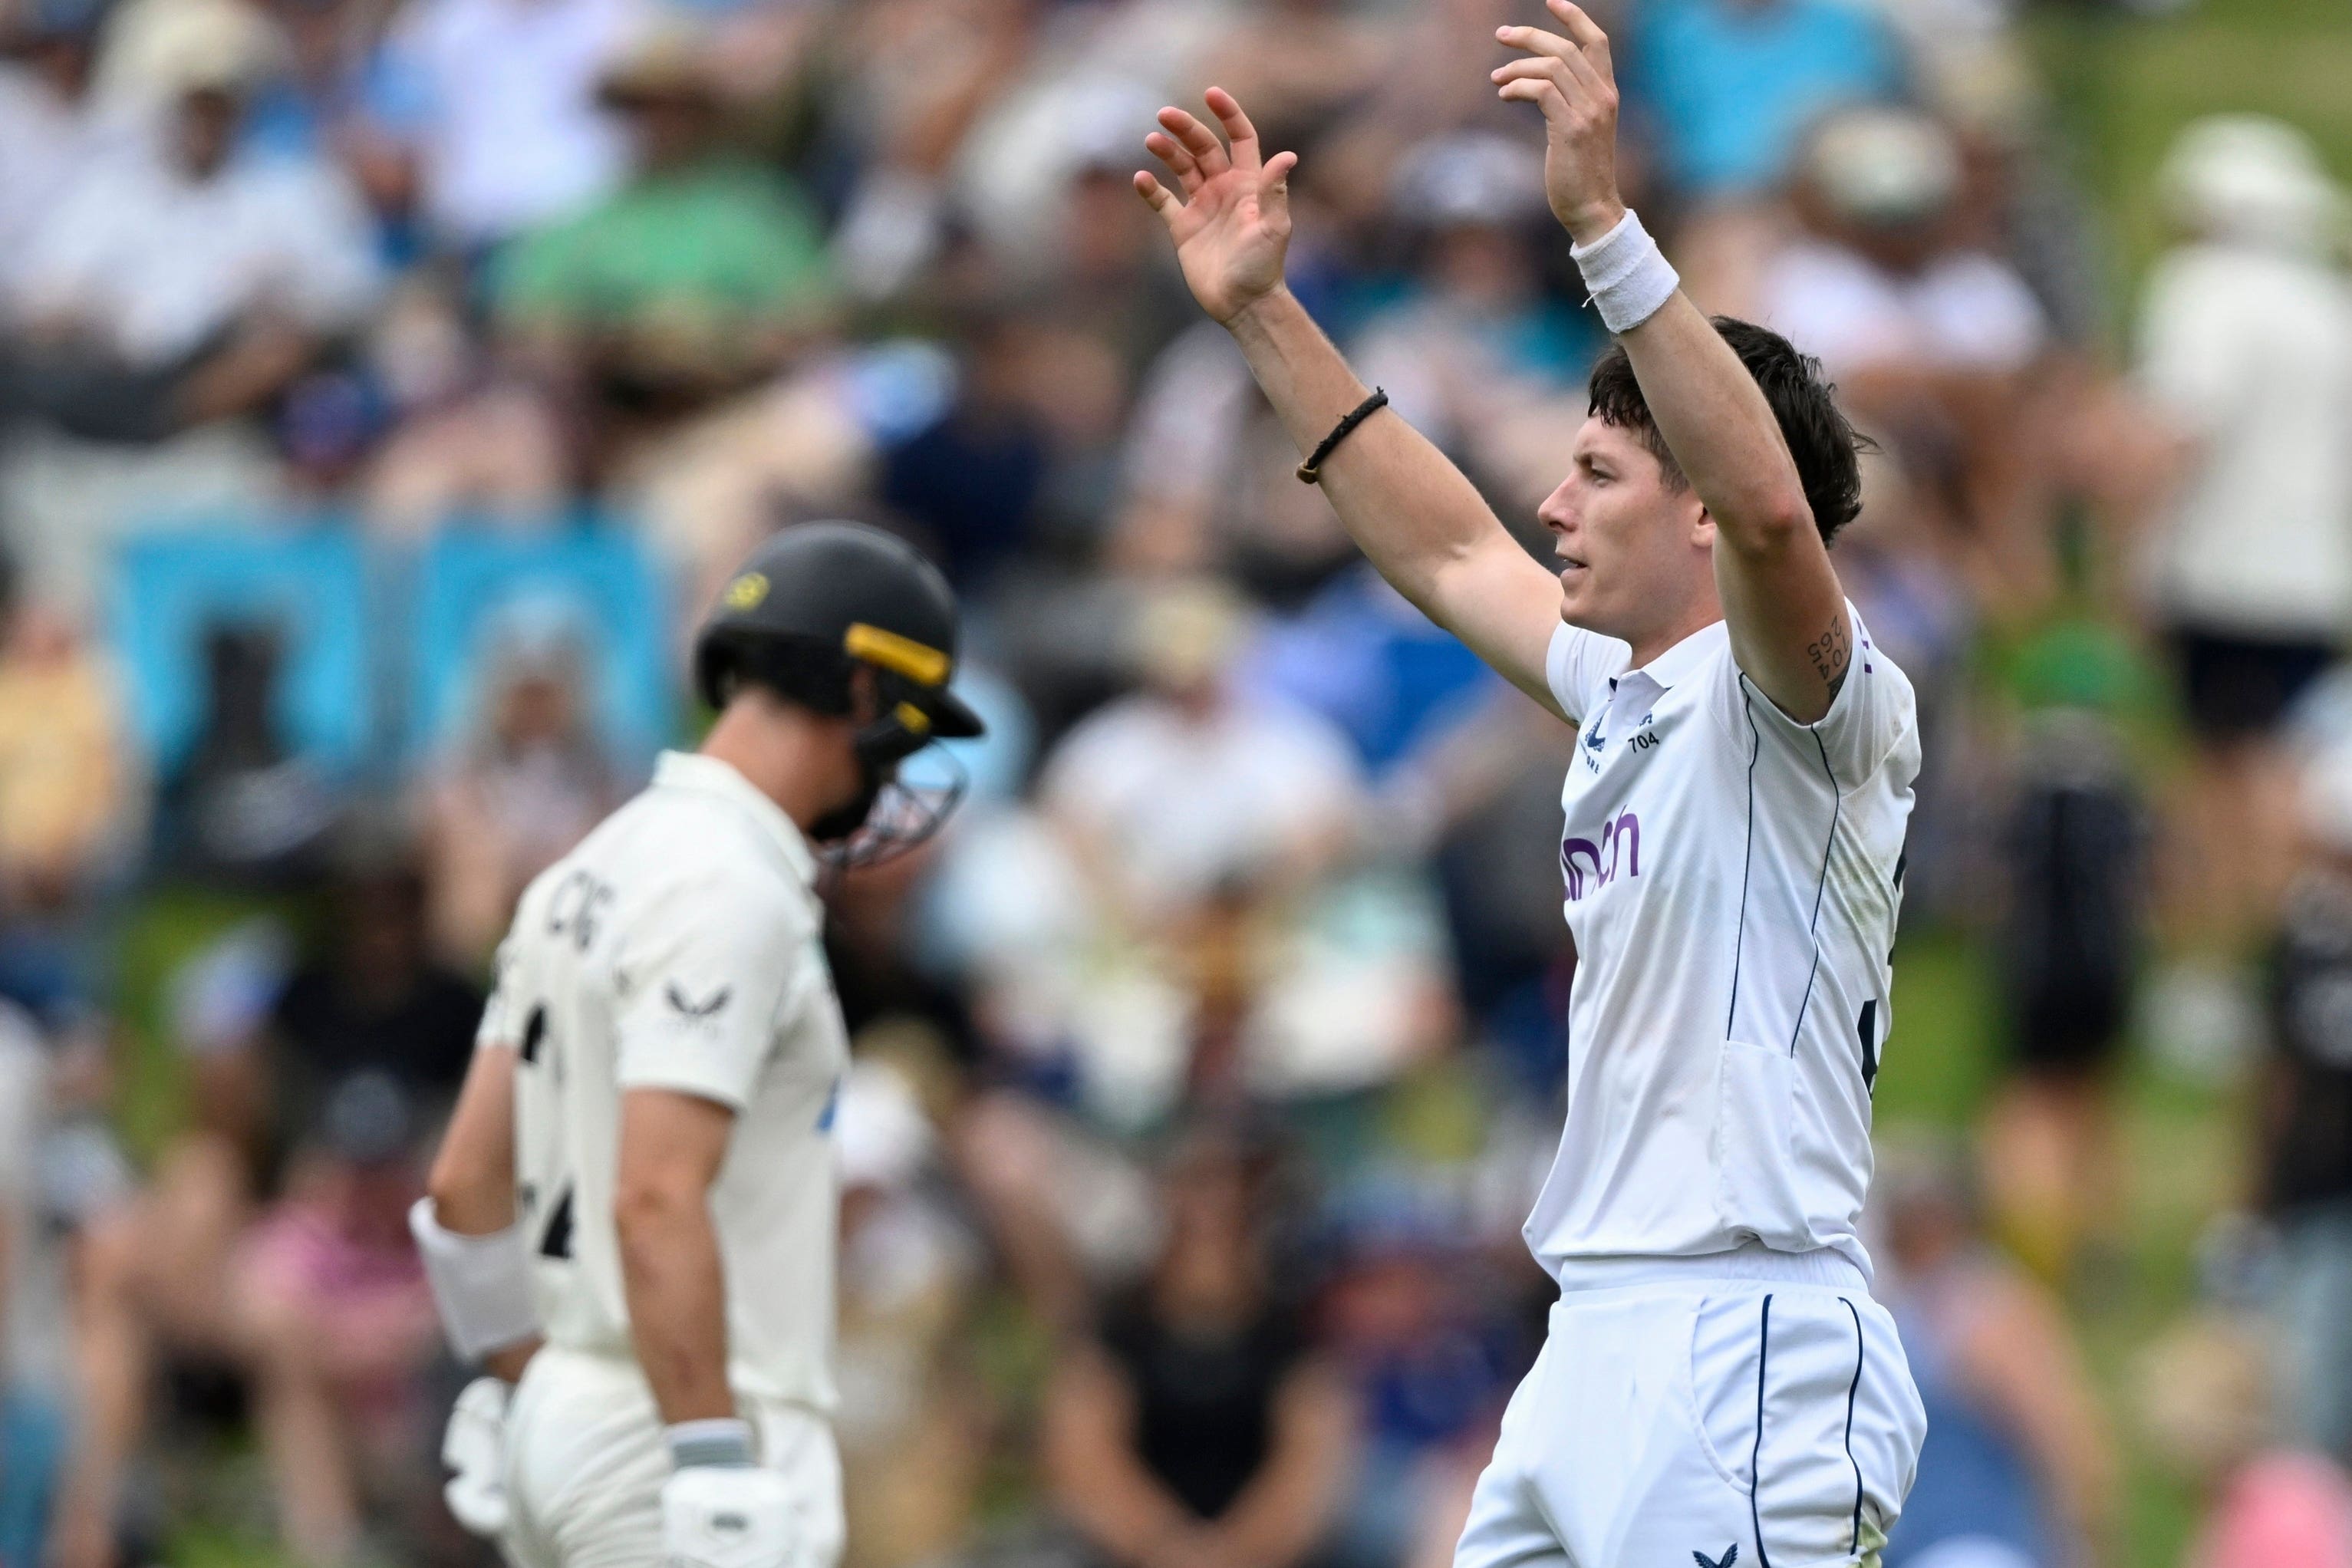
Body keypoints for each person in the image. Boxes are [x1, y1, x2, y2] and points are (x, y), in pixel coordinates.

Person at [1131, 2, 1926, 1560]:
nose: (1552, 500)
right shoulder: (1624, 691)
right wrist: (1260, 312)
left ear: (1699, 510)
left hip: (1750, 1339)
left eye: (1603, 471)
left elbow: (1774, 513)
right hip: (1596, 1340)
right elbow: (1440, 545)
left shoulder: (1823, 702)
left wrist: (1600, 222)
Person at [413, 519, 983, 1568]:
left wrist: (517, 1388)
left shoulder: (590, 861)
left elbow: (462, 1184)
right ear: (858, 690)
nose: (902, 759)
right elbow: (655, 1194)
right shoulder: (730, 883)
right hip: (670, 1425)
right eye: (903, 722)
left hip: (577, 1412)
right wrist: (709, 1457)